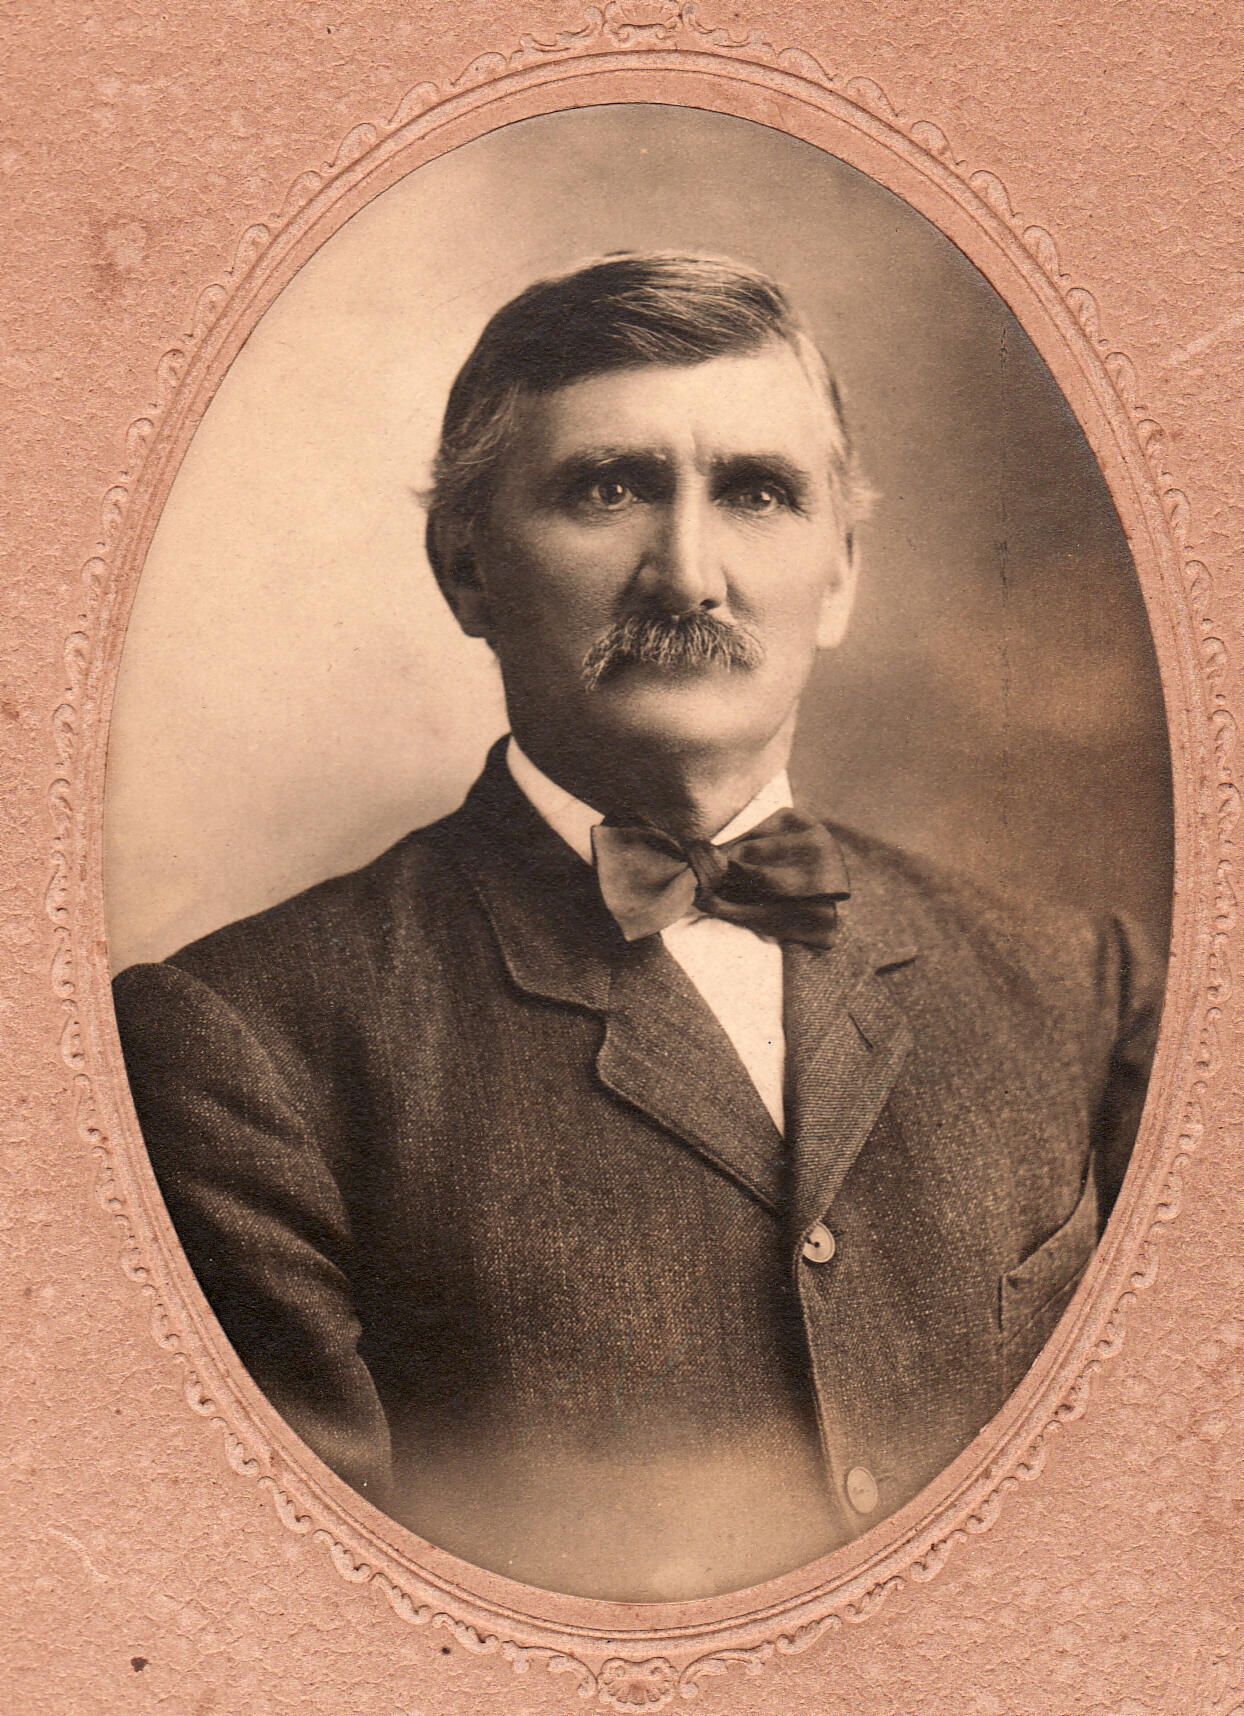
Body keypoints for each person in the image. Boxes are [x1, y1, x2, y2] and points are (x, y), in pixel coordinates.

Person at [113, 252, 1161, 1602]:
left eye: (757, 493)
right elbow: (312, 1623)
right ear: (466, 569)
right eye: (608, 490)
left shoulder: (1081, 989)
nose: (688, 575)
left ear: (841, 573)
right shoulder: (244, 1048)